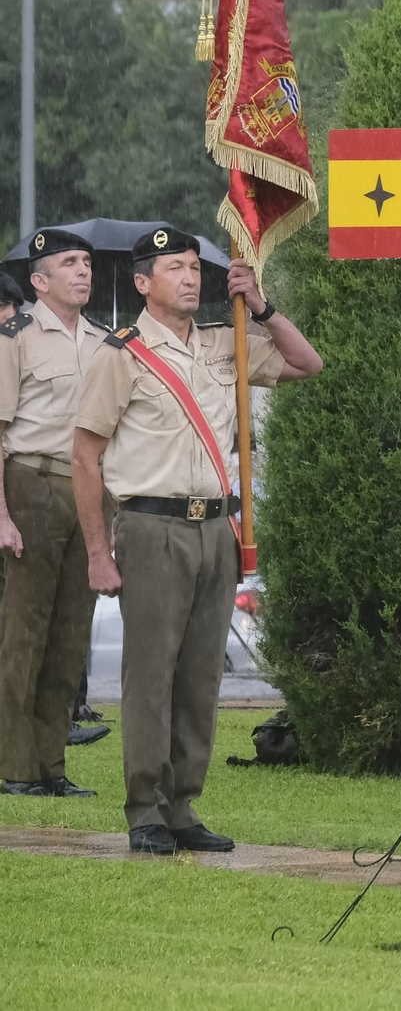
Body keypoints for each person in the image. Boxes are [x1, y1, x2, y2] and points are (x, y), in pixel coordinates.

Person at [71, 225, 322, 855]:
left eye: (194, 266)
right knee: (152, 674)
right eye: (174, 267)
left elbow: (305, 363)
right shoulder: (121, 354)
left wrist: (260, 306)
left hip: (218, 527)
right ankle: (145, 810)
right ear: (141, 283)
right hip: (152, 527)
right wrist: (100, 553)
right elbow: (84, 457)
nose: (190, 277)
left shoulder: (226, 340)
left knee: (201, 675)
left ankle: (182, 805)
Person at [0, 229, 109, 797]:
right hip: (32, 482)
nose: (83, 271)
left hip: (86, 491)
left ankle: (51, 766)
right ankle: (14, 767)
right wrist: (2, 514)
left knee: (70, 634)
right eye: (70, 263)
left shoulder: (104, 342)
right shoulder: (15, 337)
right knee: (24, 631)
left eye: (87, 262)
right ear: (40, 281)